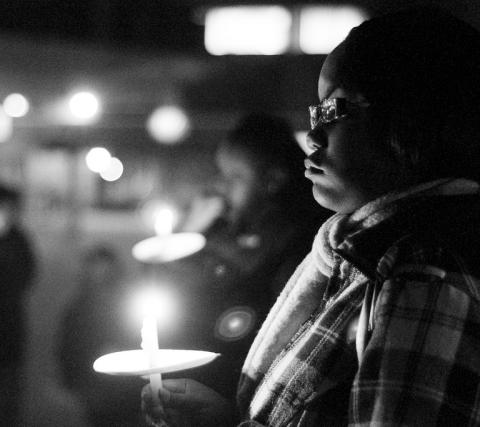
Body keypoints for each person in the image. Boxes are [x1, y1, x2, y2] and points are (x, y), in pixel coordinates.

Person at [142, 7, 480, 426]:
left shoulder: (425, 273)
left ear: (410, 120)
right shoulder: (359, 256)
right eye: (314, 112)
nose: (314, 135)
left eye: (333, 109)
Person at [155, 113, 325, 401]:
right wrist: (189, 235)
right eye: (221, 175)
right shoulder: (230, 231)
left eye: (235, 177)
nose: (222, 188)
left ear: (273, 180)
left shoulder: (304, 242)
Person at [58, 244, 143, 427]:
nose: (99, 272)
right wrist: (71, 382)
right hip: (93, 386)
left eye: (104, 267)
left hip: (126, 387)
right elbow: (67, 346)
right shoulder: (77, 307)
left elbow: (139, 338)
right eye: (95, 266)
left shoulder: (126, 303)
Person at [0, 183, 36, 426]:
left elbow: (25, 277)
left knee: (6, 403)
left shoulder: (17, 239)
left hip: (7, 336)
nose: (9, 213)